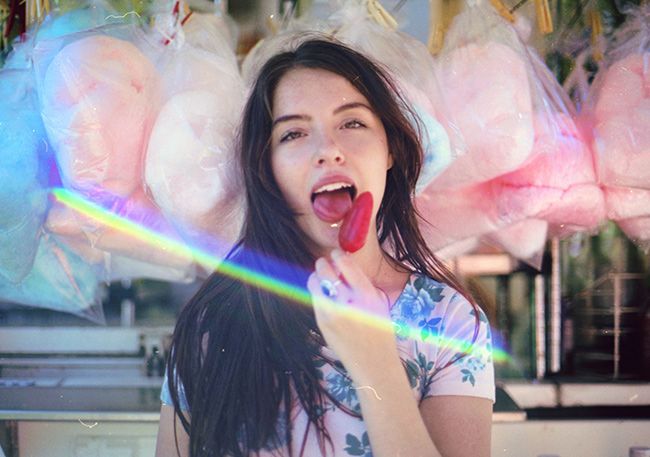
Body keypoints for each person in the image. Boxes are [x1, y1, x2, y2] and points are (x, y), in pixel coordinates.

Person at [155, 37, 495, 457]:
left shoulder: (450, 321)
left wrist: (373, 358)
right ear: (267, 169)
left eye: (352, 123)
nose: (328, 150)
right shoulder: (212, 322)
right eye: (294, 133)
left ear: (389, 149)